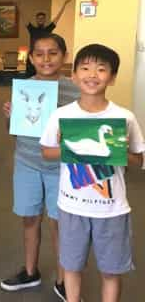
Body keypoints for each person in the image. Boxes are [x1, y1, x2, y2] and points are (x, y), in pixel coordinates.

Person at [40, 44, 145, 302]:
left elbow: (139, 158)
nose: (92, 75)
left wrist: (116, 152)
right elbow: (47, 152)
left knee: (111, 270)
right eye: (85, 68)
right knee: (72, 267)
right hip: (72, 206)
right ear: (74, 75)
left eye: (101, 69)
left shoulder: (125, 117)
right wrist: (70, 149)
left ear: (113, 77)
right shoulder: (61, 115)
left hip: (111, 208)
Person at [0, 34, 80, 300]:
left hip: (62, 167)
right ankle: (31, 271)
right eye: (40, 54)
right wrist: (12, 117)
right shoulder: (24, 87)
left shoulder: (75, 89)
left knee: (62, 224)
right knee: (30, 218)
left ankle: (63, 280)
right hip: (27, 162)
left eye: (53, 53)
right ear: (31, 58)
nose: (46, 59)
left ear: (64, 56)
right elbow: (14, 133)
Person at [24, 0, 73, 77]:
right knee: (30, 77)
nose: (40, 20)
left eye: (42, 18)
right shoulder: (32, 29)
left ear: (44, 20)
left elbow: (57, 18)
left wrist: (64, 5)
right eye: (39, 18)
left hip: (45, 56)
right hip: (34, 56)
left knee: (45, 75)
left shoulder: (48, 29)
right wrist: (18, 7)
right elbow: (25, 19)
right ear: (36, 20)